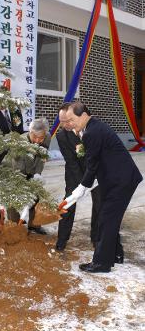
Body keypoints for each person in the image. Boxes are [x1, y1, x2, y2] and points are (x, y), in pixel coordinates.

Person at [63, 101, 142, 273]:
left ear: (82, 114)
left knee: (106, 219)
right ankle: (115, 255)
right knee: (109, 218)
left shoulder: (92, 132)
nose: (70, 123)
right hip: (115, 178)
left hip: (121, 180)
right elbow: (98, 162)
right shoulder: (93, 127)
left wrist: (81, 188)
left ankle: (101, 263)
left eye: (71, 119)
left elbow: (92, 165)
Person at [55, 103, 101, 251]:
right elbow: (71, 161)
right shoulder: (61, 135)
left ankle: (96, 238)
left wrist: (91, 179)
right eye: (61, 121)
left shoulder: (90, 128)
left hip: (96, 172)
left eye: (67, 120)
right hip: (74, 173)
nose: (64, 124)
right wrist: (83, 185)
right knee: (68, 203)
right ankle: (61, 240)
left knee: (100, 203)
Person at [8, 118, 51, 234]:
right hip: (15, 172)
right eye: (35, 137)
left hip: (33, 170)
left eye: (40, 137)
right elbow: (18, 167)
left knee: (36, 197)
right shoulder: (19, 143)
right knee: (14, 199)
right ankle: (15, 226)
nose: (38, 140)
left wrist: (37, 174)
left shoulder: (47, 137)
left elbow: (42, 157)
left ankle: (34, 225)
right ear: (30, 132)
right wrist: (25, 185)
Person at [0, 104, 24, 223]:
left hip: (14, 152)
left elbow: (19, 129)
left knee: (14, 184)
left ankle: (15, 217)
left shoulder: (14, 111)